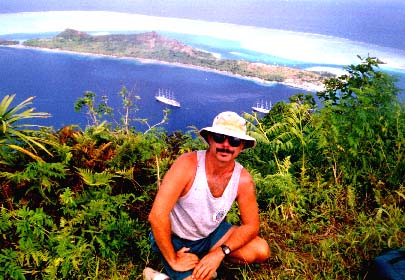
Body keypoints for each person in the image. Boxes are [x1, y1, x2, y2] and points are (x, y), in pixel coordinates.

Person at [146, 111, 270, 280]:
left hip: (209, 237)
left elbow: (251, 226)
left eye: (234, 140)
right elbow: (157, 216)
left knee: (260, 250)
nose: (226, 145)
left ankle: (203, 263)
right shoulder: (187, 165)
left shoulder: (242, 179)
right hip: (175, 238)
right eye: (220, 137)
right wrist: (173, 259)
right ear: (210, 139)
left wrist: (220, 253)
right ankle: (156, 276)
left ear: (241, 146)